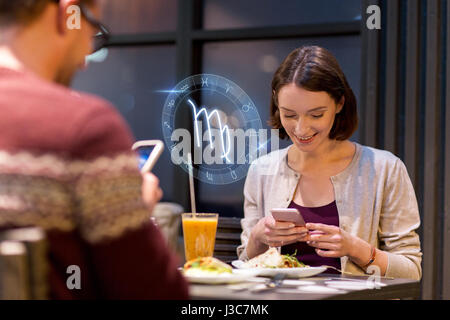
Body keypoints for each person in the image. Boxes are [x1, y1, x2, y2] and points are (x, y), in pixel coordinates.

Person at [0, 0, 189, 298]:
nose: (85, 60)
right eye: (92, 33)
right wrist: (134, 209)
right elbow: (154, 293)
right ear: (69, 13)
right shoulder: (83, 126)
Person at [237, 46, 422, 280]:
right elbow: (244, 267)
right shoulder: (261, 171)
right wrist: (257, 237)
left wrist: (357, 249)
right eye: (290, 115)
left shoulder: (384, 169)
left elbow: (412, 271)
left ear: (340, 103)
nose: (301, 129)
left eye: (316, 115)